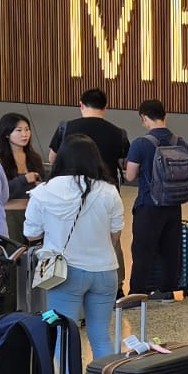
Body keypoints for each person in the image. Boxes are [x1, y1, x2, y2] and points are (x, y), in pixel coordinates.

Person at [21, 135, 123, 359]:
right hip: (105, 271)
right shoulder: (109, 190)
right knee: (101, 335)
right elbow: (116, 232)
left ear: (61, 158)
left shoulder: (43, 192)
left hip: (64, 273)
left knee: (64, 336)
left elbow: (31, 234)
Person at [122, 99, 188, 300]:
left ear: (144, 117)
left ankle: (137, 293)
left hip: (149, 205)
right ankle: (166, 290)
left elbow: (130, 176)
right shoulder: (181, 142)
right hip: (174, 204)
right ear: (165, 115)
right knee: (170, 249)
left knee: (143, 250)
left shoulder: (140, 144)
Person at [47, 88, 128, 183]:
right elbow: (125, 163)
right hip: (106, 189)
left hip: (72, 188)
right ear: (105, 106)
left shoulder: (65, 128)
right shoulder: (119, 133)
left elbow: (52, 159)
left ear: (81, 105)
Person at [0, 113, 45, 199]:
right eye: (19, 130)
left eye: (27, 129)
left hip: (33, 208)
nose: (25, 134)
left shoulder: (35, 158)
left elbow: (43, 184)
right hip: (7, 210)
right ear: (7, 134)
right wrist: (24, 180)